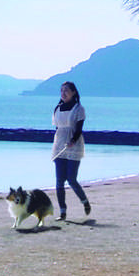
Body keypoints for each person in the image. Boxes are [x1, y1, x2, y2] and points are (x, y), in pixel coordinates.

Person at [52, 81, 90, 220]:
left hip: (74, 145)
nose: (63, 93)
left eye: (66, 90)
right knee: (59, 181)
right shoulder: (57, 108)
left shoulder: (79, 109)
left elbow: (79, 129)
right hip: (59, 146)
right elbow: (57, 129)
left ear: (73, 92)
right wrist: (58, 144)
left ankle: (84, 201)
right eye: (61, 90)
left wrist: (73, 141)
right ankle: (62, 212)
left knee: (71, 179)